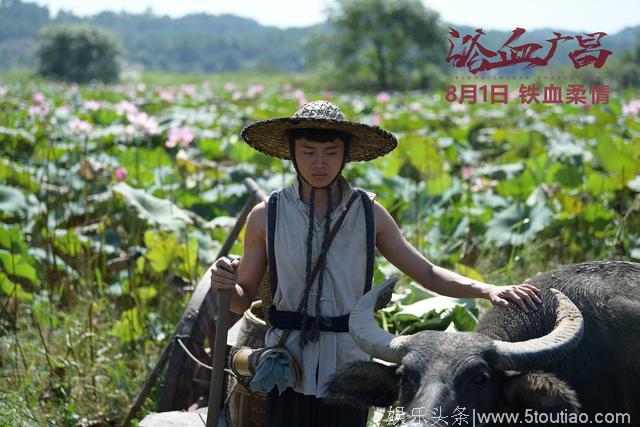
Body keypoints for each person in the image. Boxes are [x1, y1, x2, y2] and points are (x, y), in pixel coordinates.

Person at [211, 100, 542, 426]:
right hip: (286, 362)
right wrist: (225, 284)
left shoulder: (369, 214)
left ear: (345, 154)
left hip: (347, 367)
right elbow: (242, 299)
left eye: (330, 152)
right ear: (292, 153)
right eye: (309, 151)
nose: (319, 163)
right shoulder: (266, 216)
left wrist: (488, 290)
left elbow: (426, 272)